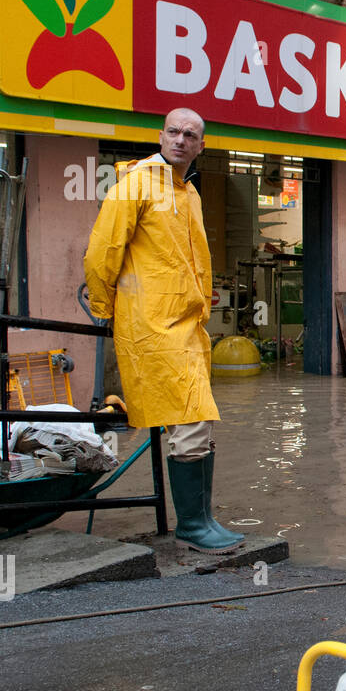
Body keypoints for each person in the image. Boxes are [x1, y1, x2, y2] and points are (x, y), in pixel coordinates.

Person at [83, 108, 245, 554]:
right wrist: (104, 309)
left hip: (187, 326)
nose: (180, 139)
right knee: (190, 418)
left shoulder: (187, 193)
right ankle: (193, 525)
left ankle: (202, 519)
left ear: (201, 146)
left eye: (189, 134)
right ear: (160, 136)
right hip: (153, 326)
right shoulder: (135, 185)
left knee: (199, 421)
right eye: (173, 131)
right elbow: (102, 252)